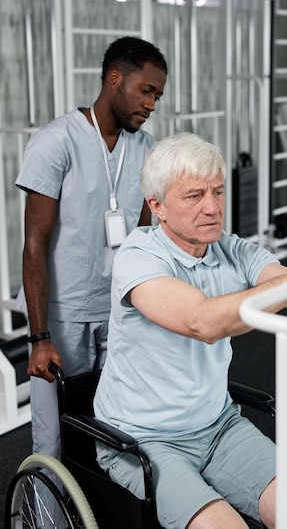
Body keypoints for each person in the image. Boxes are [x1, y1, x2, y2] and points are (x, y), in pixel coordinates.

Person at [93, 132, 287, 529]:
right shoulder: (137, 258)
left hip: (218, 425)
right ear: (157, 206)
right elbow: (201, 321)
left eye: (218, 192)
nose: (212, 207)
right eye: (194, 196)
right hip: (144, 441)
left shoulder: (233, 250)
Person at [15, 36, 168, 460]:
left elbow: (142, 238)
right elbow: (34, 246)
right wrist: (41, 336)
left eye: (157, 95)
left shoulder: (146, 147)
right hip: (63, 316)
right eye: (146, 90)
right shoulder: (56, 141)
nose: (152, 104)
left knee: (116, 425)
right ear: (114, 79)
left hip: (118, 309)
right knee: (55, 434)